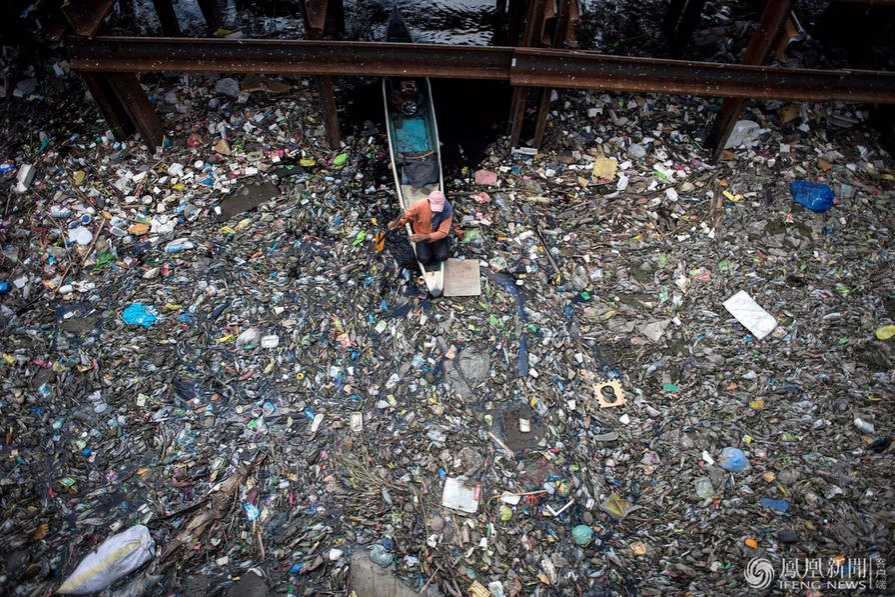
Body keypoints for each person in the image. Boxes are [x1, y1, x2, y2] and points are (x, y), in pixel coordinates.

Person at [388, 190, 452, 265]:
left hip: (437, 236)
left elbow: (443, 232)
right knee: (424, 259)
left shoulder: (447, 210)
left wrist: (425, 236)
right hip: (421, 232)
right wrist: (399, 222)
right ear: (429, 201)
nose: (436, 212)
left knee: (443, 256)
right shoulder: (420, 204)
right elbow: (408, 216)